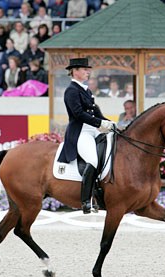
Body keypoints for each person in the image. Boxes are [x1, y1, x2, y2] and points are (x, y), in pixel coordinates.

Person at [57, 57, 115, 214]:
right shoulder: (71, 91)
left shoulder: (86, 90)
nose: (87, 72)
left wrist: (110, 123)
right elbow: (78, 114)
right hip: (80, 132)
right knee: (93, 160)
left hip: (92, 130)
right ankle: (86, 201)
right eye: (84, 69)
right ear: (75, 71)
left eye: (87, 69)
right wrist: (99, 123)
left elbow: (95, 111)